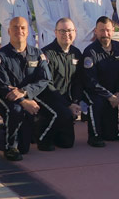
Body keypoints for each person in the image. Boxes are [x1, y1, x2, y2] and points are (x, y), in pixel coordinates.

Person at [0, 17, 52, 161]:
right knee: (16, 110)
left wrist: (24, 92)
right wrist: (24, 102)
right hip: (5, 98)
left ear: (28, 30)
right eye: (15, 27)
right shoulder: (1, 56)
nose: (20, 31)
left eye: (23, 28)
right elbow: (2, 86)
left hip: (28, 96)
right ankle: (9, 146)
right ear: (9, 31)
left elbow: (44, 78)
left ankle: (0, 134)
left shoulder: (37, 53)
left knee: (24, 148)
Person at [37, 18, 85, 150]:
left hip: (66, 101)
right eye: (62, 31)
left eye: (69, 30)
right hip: (47, 98)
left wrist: (75, 101)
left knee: (67, 143)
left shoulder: (76, 53)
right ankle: (42, 138)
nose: (66, 34)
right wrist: (68, 105)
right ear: (55, 32)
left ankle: (54, 130)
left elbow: (78, 81)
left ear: (75, 32)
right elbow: (47, 84)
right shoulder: (46, 53)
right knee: (64, 114)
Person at [80, 17, 119, 146]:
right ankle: (94, 136)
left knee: (112, 136)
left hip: (114, 93)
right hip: (95, 92)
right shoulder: (90, 52)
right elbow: (91, 81)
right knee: (96, 102)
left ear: (113, 30)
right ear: (95, 31)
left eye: (108, 30)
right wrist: (109, 96)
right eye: (101, 31)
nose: (105, 34)